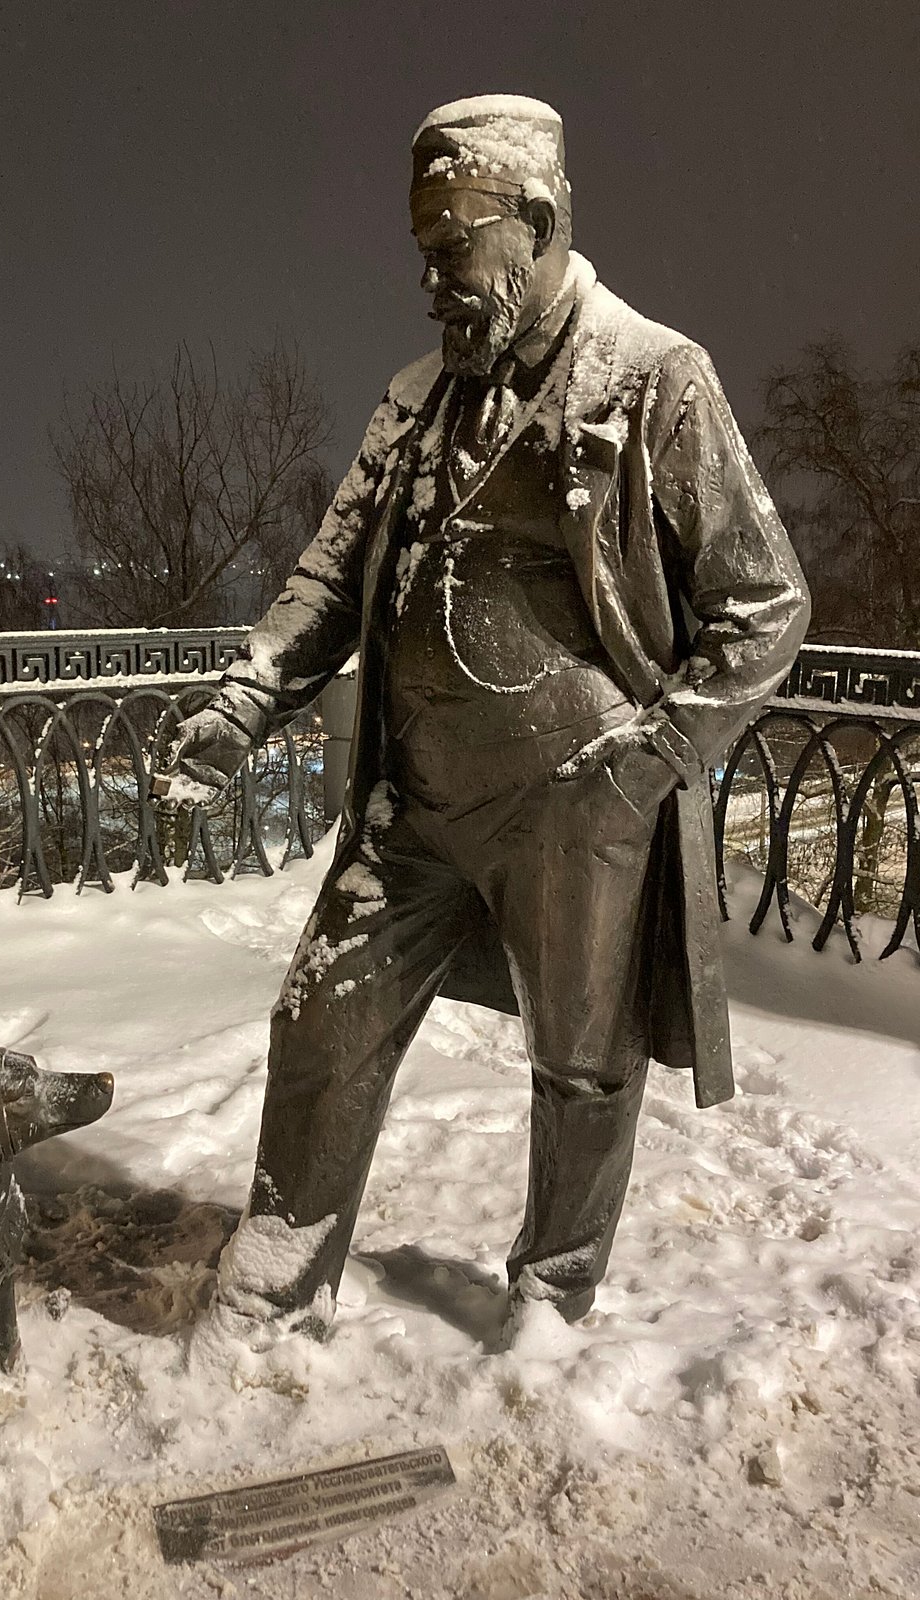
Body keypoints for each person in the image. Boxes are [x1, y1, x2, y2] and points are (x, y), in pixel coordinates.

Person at [165, 94, 810, 1344]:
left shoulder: (655, 378)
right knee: (322, 1015)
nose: (429, 279)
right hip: (415, 804)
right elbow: (331, 568)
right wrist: (251, 695)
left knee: (582, 1063)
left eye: (451, 246)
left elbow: (767, 603)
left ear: (538, 220)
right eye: (421, 250)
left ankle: (553, 1296)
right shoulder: (416, 401)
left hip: (577, 806)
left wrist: (654, 754)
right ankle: (284, 1268)